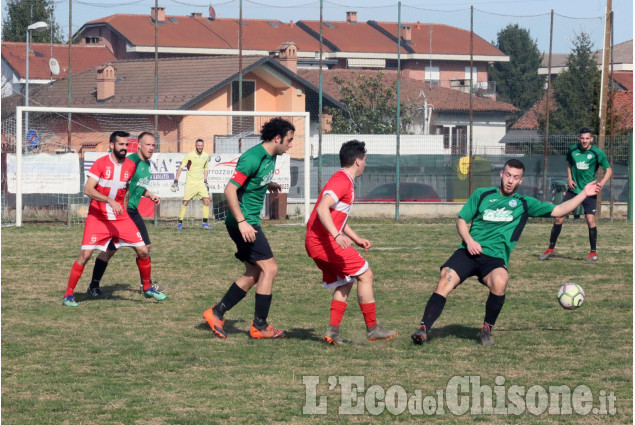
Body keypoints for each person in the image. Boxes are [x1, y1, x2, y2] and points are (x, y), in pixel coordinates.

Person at [410, 159, 600, 346]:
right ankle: (423, 329)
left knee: (501, 280)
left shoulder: (524, 203)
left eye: (515, 177)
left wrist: (584, 194)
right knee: (447, 276)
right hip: (468, 251)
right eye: (508, 175)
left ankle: (486, 330)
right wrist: (469, 241)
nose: (510, 180)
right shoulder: (482, 194)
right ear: (501, 174)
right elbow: (461, 220)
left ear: (521, 181)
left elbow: (559, 210)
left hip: (494, 258)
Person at [202, 117, 294, 339]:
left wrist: (266, 183)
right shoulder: (253, 157)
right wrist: (243, 222)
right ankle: (260, 327)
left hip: (248, 221)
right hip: (244, 223)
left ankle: (216, 313)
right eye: (289, 140)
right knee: (270, 269)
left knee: (254, 272)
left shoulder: (270, 157)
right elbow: (230, 190)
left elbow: (249, 183)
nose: (291, 145)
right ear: (277, 138)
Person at [305, 140, 397, 345]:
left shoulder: (343, 179)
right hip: (323, 242)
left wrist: (356, 238)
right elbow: (322, 208)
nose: (365, 164)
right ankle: (373, 329)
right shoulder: (342, 180)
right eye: (365, 160)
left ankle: (333, 332)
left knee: (346, 281)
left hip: (318, 241)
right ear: (358, 161)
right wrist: (337, 237)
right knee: (366, 274)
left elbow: (335, 216)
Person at [62, 131, 166, 307]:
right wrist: (109, 200)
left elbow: (128, 188)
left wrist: (141, 198)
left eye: (126, 145)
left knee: (143, 250)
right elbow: (88, 190)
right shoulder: (101, 163)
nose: (124, 148)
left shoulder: (130, 166)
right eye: (120, 145)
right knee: (85, 254)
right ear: (111, 145)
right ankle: (69, 294)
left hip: (120, 217)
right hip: (98, 216)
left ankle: (147, 287)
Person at [86, 132, 163, 297]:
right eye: (148, 145)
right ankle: (94, 285)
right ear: (139, 146)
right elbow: (120, 186)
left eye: (153, 145)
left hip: (133, 211)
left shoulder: (147, 164)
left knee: (145, 248)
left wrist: (150, 195)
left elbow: (136, 186)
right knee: (110, 250)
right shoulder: (130, 161)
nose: (151, 148)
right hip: (123, 213)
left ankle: (145, 285)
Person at [539, 127, 612, 262]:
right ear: (579, 139)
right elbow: (569, 165)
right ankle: (551, 249)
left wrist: (601, 183)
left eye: (587, 138)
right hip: (574, 191)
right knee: (559, 217)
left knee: (590, 220)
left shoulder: (598, 153)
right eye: (582, 138)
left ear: (591, 139)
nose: (584, 141)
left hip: (589, 192)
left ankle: (593, 253)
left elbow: (609, 170)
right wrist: (570, 178)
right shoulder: (573, 149)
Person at [172, 138, 212, 230]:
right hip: (190, 183)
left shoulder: (206, 156)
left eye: (201, 145)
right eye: (198, 145)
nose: (200, 147)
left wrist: (205, 180)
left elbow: (206, 168)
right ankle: (180, 223)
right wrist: (176, 180)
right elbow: (181, 167)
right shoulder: (189, 155)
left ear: (203, 146)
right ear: (195, 146)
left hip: (200, 183)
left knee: (207, 200)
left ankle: (205, 223)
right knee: (185, 202)